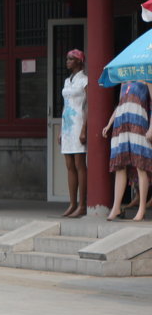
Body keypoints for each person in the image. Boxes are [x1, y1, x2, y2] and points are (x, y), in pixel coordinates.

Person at [101, 80, 152, 222]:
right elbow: (120, 105)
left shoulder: (146, 78)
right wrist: (109, 124)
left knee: (140, 165)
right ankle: (116, 207)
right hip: (121, 125)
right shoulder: (124, 82)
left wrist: (151, 127)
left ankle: (142, 208)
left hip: (139, 123)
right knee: (120, 166)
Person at [60, 49, 88, 217]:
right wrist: (60, 131)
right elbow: (65, 104)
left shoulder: (84, 81)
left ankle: (83, 204)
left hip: (78, 123)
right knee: (69, 166)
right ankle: (72, 203)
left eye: (71, 59)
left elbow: (88, 106)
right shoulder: (66, 81)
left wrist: (85, 128)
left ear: (79, 61)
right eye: (67, 58)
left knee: (79, 165)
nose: (67, 61)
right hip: (67, 125)